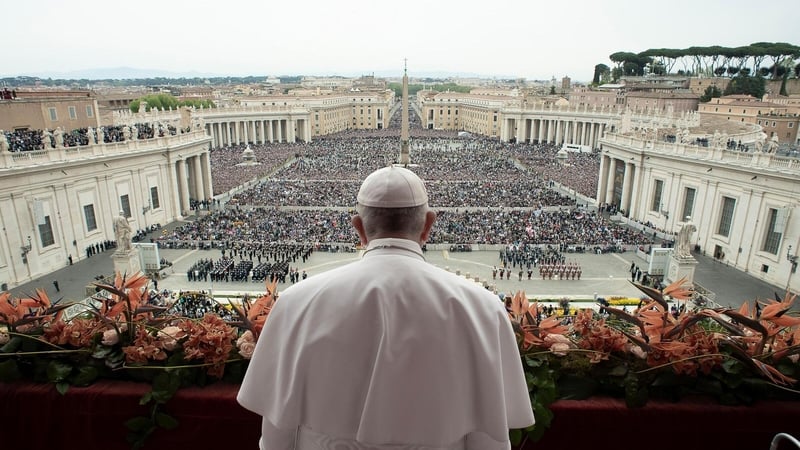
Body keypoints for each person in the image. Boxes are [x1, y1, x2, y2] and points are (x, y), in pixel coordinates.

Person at [238, 165, 534, 449]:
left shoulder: (296, 302)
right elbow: (489, 435)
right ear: (428, 224)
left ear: (358, 228)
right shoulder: (482, 308)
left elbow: (278, 428)